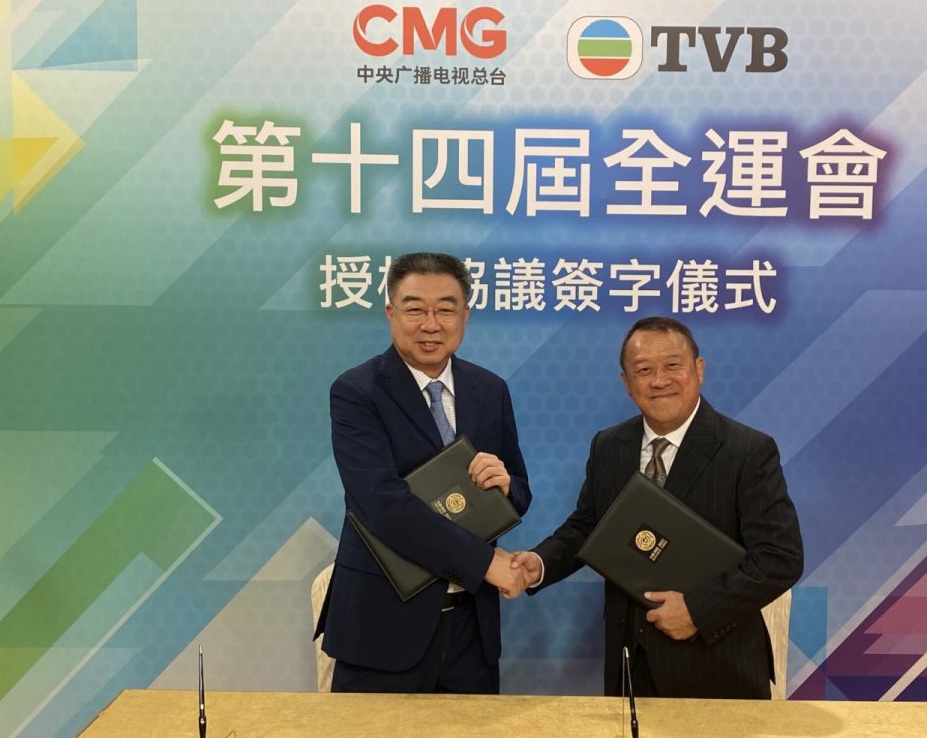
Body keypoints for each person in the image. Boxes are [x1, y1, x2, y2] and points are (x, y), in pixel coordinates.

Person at [511, 316, 802, 699]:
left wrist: (697, 611)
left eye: (672, 365)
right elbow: (589, 526)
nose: (659, 380)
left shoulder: (747, 451)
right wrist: (540, 563)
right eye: (644, 370)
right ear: (626, 382)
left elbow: (779, 559)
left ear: (699, 369)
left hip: (717, 665)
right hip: (629, 664)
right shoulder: (609, 446)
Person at [317, 252, 532, 694]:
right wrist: (484, 563)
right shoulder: (357, 391)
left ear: (465, 315)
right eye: (415, 309)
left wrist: (506, 486)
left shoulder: (490, 389)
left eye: (445, 309)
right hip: (383, 626)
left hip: (471, 631)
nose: (431, 324)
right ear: (391, 313)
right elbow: (382, 506)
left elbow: (520, 492)